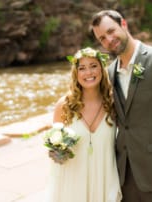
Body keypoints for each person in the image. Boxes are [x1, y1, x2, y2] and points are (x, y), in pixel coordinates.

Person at [89, 10, 152, 202]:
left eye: (111, 31)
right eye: (102, 38)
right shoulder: (110, 72)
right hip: (124, 175)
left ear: (124, 25)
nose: (109, 40)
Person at [45, 47, 122, 202]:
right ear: (76, 73)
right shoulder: (64, 105)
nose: (89, 73)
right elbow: (55, 156)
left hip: (104, 179)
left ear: (102, 68)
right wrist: (57, 151)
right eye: (82, 68)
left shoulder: (113, 103)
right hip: (73, 183)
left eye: (93, 66)